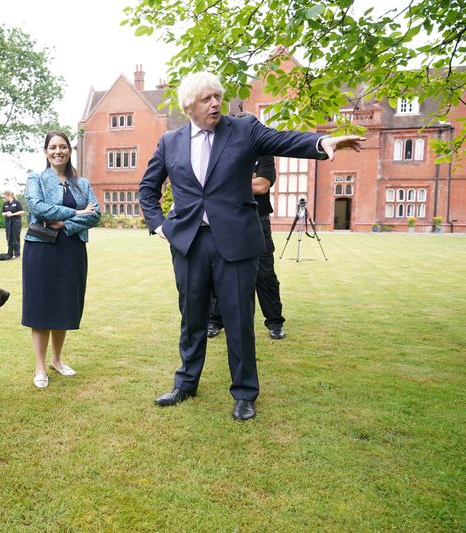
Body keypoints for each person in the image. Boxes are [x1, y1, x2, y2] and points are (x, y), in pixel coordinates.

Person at [139, 72, 365, 420]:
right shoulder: (170, 142)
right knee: (193, 316)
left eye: (218, 96)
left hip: (236, 241)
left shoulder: (244, 129)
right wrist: (162, 229)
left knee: (240, 318)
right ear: (189, 106)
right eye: (206, 99)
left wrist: (321, 144)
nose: (215, 103)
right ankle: (185, 384)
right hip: (189, 243)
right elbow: (146, 190)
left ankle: (245, 393)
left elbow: (282, 140)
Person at [23, 132, 101, 389]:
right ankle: (40, 366)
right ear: (46, 151)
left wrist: (63, 223)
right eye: (53, 147)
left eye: (63, 146)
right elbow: (36, 207)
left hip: (72, 249)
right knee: (42, 307)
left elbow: (96, 214)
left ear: (69, 150)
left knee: (64, 305)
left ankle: (57, 359)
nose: (58, 151)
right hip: (42, 250)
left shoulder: (83, 183)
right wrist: (76, 212)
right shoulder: (36, 178)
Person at [207, 152, 286, 340]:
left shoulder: (264, 156)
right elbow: (209, 184)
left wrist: (227, 182)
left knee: (265, 274)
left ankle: (275, 322)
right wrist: (247, 179)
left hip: (257, 219)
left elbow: (261, 186)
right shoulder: (223, 153)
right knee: (220, 271)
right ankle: (214, 320)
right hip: (228, 220)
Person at [2, 190, 23, 258]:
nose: (5, 198)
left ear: (9, 196)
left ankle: (17, 254)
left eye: (5, 197)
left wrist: (12, 214)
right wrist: (7, 213)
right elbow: (2, 213)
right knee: (9, 237)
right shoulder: (5, 204)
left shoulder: (17, 203)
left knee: (15, 238)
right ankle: (9, 254)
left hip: (16, 222)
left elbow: (22, 211)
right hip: (8, 223)